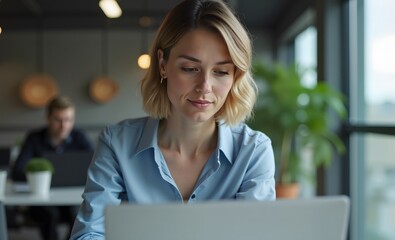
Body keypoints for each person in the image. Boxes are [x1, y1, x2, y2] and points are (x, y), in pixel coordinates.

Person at [70, 0, 276, 239]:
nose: (205, 87)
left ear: (235, 77)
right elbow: (89, 233)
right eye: (190, 68)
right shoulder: (117, 144)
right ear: (163, 64)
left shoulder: (253, 151)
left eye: (221, 72)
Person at [11, 95, 94, 240]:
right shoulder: (34, 138)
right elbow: (17, 171)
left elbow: (95, 165)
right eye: (58, 120)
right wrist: (39, 178)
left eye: (68, 120)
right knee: (50, 214)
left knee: (79, 214)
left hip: (70, 200)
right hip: (42, 203)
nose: (64, 125)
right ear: (48, 118)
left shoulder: (79, 137)